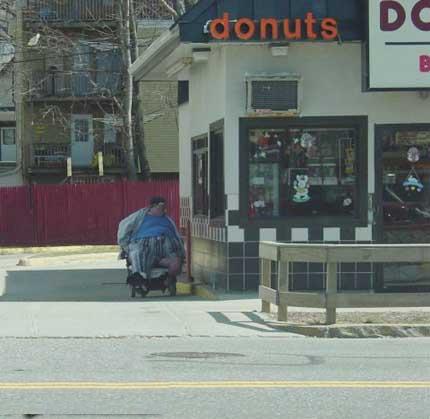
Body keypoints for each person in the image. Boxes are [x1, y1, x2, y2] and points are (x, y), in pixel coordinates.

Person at [117, 196, 185, 288]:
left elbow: (177, 237)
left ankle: (167, 280)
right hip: (145, 251)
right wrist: (125, 247)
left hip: (165, 253)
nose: (164, 209)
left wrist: (181, 251)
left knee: (176, 263)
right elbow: (123, 228)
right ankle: (139, 278)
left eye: (165, 207)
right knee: (137, 251)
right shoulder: (140, 216)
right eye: (161, 206)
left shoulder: (168, 220)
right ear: (153, 206)